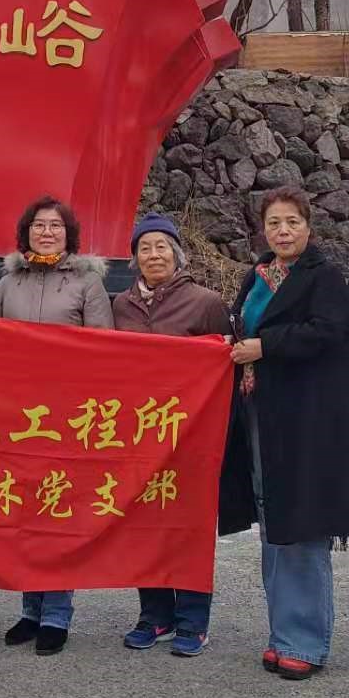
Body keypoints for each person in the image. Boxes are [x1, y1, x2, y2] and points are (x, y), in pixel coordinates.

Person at [221, 187, 349, 681]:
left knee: (302, 524)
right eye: (274, 223)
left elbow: (330, 333)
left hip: (307, 422)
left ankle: (305, 640)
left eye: (292, 222)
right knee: (275, 522)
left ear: (308, 226)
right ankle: (283, 634)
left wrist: (265, 346)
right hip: (262, 415)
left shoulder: (324, 277)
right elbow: (243, 329)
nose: (283, 232)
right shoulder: (258, 275)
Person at [0, 195, 113, 656]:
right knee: (25, 510)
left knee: (58, 507)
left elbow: (103, 349)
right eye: (39, 225)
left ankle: (57, 613)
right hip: (19, 414)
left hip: (67, 413)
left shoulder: (87, 283)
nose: (47, 232)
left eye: (55, 226)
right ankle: (30, 608)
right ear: (26, 233)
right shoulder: (9, 282)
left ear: (69, 234)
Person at [112, 213, 229, 658]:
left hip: (191, 436)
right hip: (140, 435)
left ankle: (193, 620)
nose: (154, 255)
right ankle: (154, 614)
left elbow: (224, 366)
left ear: (177, 254)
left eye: (162, 246)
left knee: (188, 526)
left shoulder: (205, 303)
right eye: (145, 248)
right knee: (144, 524)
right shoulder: (121, 306)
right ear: (135, 258)